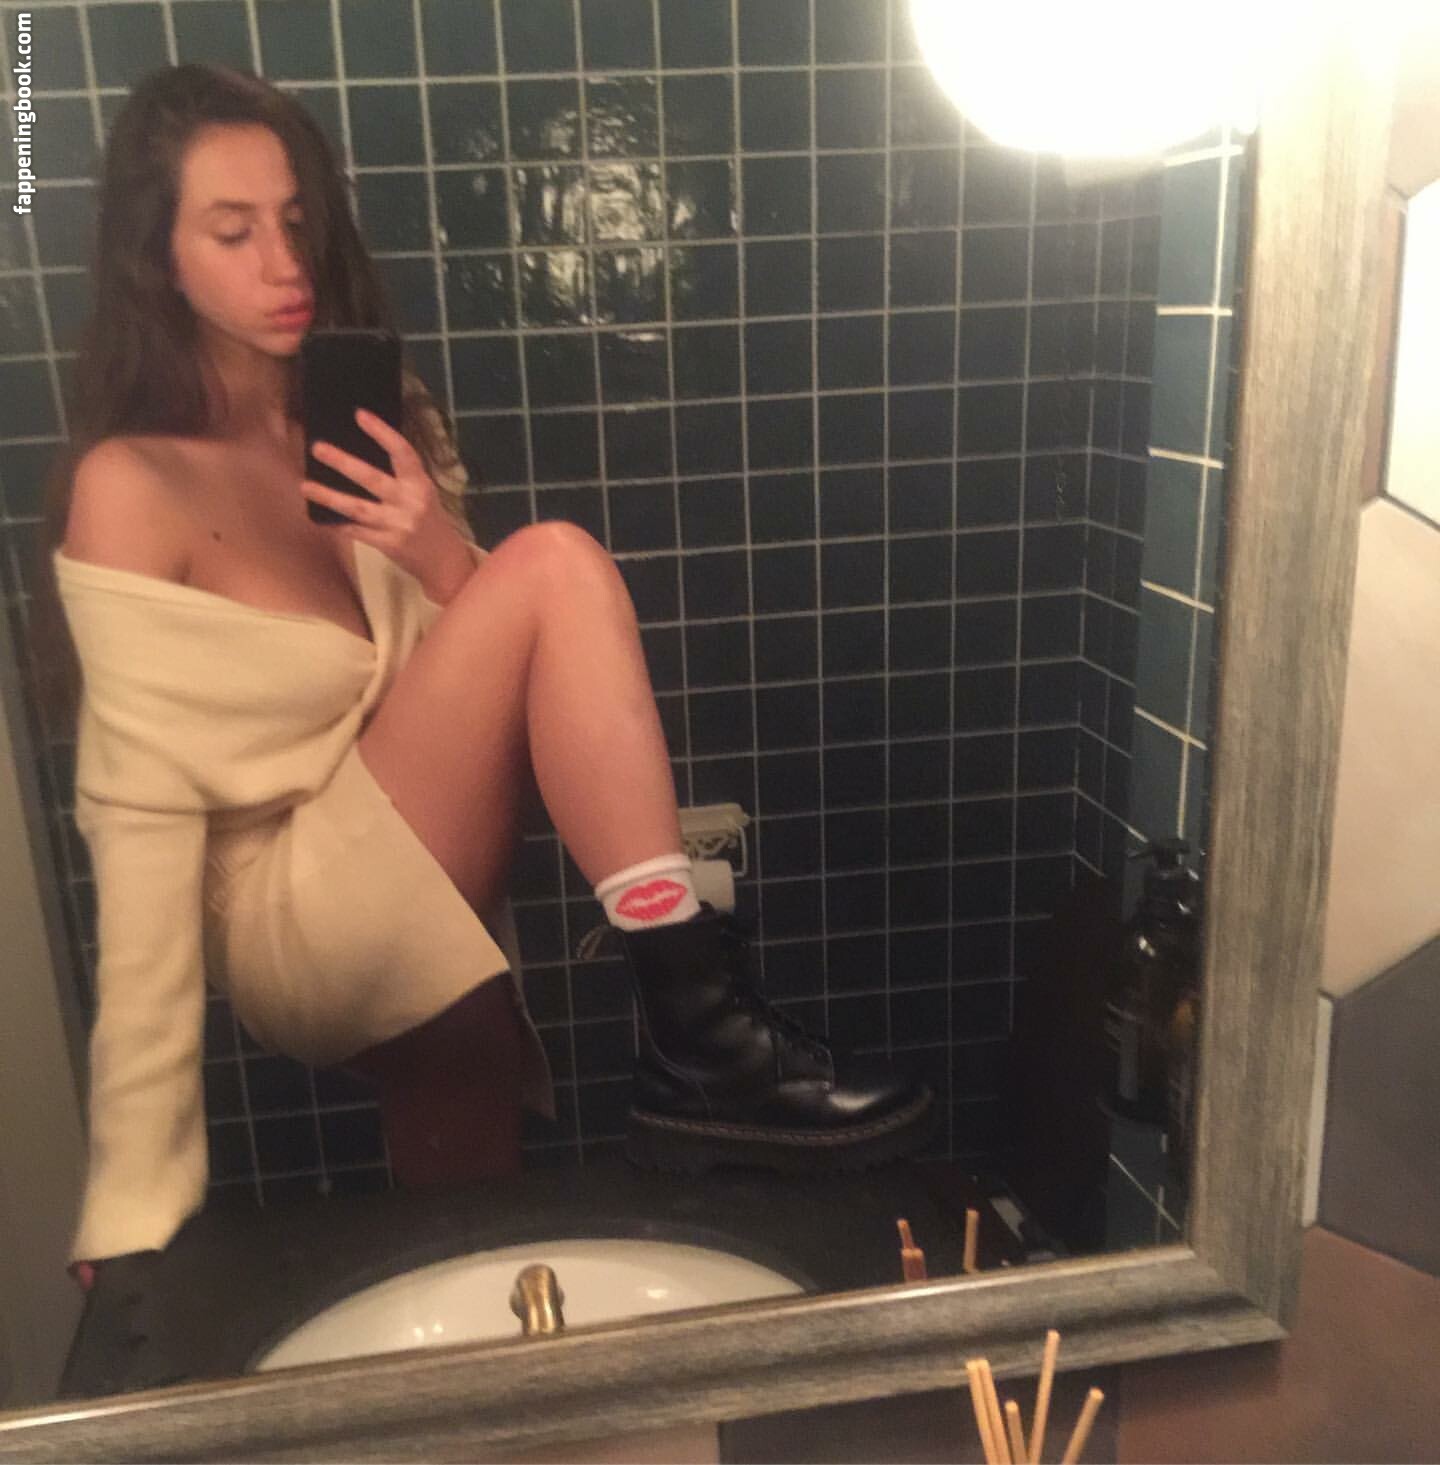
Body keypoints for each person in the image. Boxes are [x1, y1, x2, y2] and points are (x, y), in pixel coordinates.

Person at [33, 65, 934, 1301]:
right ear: (158, 260)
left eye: (296, 221)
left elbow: (503, 676)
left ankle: (505, 1364)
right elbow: (139, 827)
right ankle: (700, 1032)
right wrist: (132, 1183)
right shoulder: (132, 485)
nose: (283, 263)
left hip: (416, 848)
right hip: (289, 909)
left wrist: (435, 552)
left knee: (470, 1170)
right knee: (555, 562)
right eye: (232, 233)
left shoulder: (376, 426)